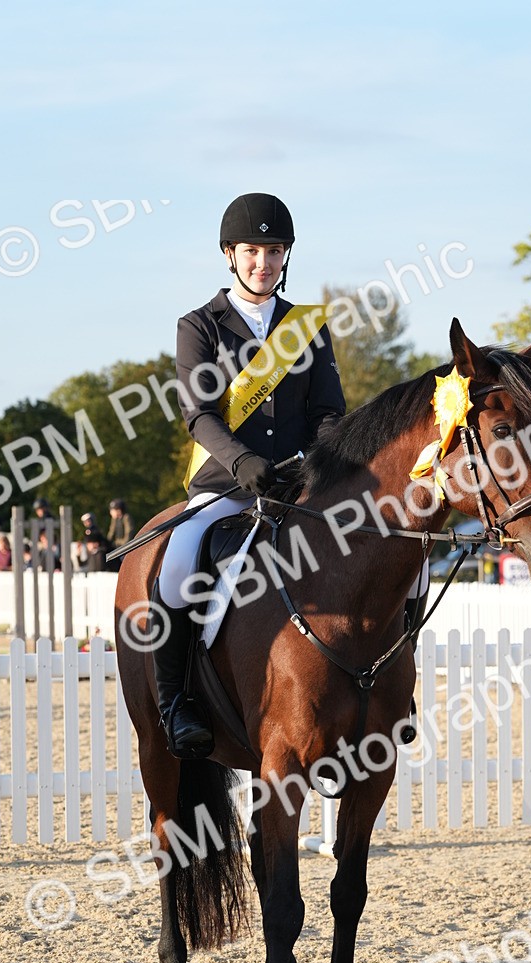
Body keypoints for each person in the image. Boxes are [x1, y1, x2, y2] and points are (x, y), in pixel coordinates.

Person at [153, 192, 346, 757]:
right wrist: (242, 462)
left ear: (286, 255)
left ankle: (386, 690)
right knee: (177, 565)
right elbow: (199, 414)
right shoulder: (199, 326)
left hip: (300, 486)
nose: (264, 262)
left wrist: (319, 464)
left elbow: (328, 413)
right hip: (224, 484)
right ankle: (176, 701)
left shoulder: (307, 327)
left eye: (274, 251)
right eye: (253, 251)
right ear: (230, 255)